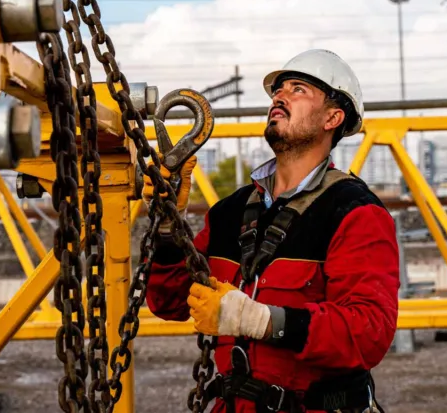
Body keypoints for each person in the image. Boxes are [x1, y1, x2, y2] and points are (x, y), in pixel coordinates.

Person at [144, 49, 400, 413]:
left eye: (298, 89)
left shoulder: (355, 213)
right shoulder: (230, 212)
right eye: (278, 90)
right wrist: (169, 226)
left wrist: (262, 321)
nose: (279, 96)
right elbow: (169, 301)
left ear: (333, 117)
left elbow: (368, 333)